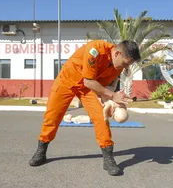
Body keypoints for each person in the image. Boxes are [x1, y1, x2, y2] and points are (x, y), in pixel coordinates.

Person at [29, 39, 141, 176]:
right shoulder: (95, 50)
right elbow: (88, 81)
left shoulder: (118, 66)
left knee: (101, 117)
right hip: (67, 81)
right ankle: (41, 150)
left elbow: (108, 87)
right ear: (117, 53)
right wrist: (112, 96)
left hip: (88, 89)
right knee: (52, 116)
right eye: (125, 63)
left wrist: (112, 103)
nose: (125, 68)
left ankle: (108, 158)